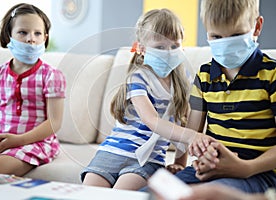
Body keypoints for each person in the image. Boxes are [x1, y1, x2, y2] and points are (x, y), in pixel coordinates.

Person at [81, 8, 214, 191]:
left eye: (174, 46)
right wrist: (194, 136)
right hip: (111, 153)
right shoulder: (137, 78)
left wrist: (179, 163)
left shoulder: (184, 84)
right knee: (88, 194)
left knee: (120, 194)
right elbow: (152, 120)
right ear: (142, 49)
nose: (168, 52)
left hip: (148, 161)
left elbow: (182, 124)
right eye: (160, 47)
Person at [173, 0, 276, 194]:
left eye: (236, 35)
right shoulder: (203, 76)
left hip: (259, 173)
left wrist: (246, 168)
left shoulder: (272, 75)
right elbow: (192, 133)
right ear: (207, 32)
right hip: (212, 168)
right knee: (152, 192)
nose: (226, 43)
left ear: (257, 26)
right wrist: (181, 162)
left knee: (208, 195)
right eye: (216, 36)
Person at [0, 3, 66, 177]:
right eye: (23, 32)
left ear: (45, 38)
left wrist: (17, 140)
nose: (31, 38)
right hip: (1, 142)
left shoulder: (52, 76)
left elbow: (55, 122)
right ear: (9, 35)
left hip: (36, 143)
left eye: (37, 33)